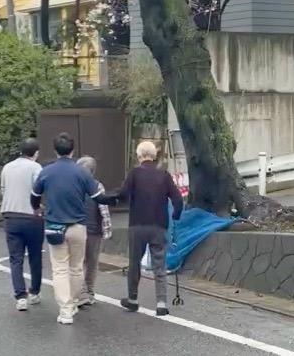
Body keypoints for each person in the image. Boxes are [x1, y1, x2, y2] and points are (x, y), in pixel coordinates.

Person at [30, 133, 116, 325]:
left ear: (55, 150)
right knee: (76, 268)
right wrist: (117, 197)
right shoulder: (82, 173)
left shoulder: (46, 172)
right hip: (78, 226)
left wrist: (37, 208)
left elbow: (34, 195)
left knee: (60, 269)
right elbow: (99, 198)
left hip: (55, 226)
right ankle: (74, 302)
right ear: (73, 150)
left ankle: (65, 310)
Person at [112, 141, 183, 316]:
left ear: (139, 155)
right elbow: (178, 199)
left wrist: (105, 198)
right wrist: (175, 215)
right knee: (160, 264)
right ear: (154, 155)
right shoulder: (164, 175)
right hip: (159, 225)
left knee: (134, 263)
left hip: (137, 225)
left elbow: (122, 194)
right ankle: (161, 303)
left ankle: (133, 299)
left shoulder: (134, 173)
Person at [0, 138, 45, 311]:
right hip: (32, 216)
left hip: (11, 216)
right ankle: (34, 292)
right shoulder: (36, 168)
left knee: (16, 258)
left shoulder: (7, 167)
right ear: (36, 153)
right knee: (35, 256)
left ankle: (20, 297)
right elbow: (39, 190)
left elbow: (3, 190)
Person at [76, 156, 112, 306]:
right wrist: (107, 230)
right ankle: (89, 292)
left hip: (77, 227)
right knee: (92, 263)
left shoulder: (74, 185)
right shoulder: (97, 186)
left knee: (77, 262)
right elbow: (104, 210)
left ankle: (82, 292)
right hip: (94, 229)